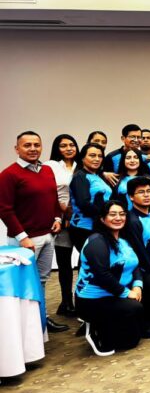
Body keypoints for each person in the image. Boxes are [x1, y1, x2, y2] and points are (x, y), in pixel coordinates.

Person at [0, 131, 67, 333]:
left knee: (42, 280)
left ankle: (41, 320)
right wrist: (23, 237)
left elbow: (54, 198)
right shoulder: (8, 175)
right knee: (23, 284)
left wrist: (56, 218)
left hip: (47, 236)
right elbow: (4, 209)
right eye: (27, 145)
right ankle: (24, 328)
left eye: (36, 145)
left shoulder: (46, 170)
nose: (32, 149)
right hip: (24, 241)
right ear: (17, 149)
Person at [74, 200, 147, 356]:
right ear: (102, 219)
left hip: (115, 294)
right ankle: (94, 328)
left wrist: (137, 285)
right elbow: (102, 276)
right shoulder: (96, 242)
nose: (118, 218)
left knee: (131, 341)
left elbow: (134, 266)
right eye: (112, 214)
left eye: (122, 214)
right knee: (134, 308)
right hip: (92, 300)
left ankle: (112, 324)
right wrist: (127, 293)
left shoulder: (123, 240)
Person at [122, 177, 150, 331]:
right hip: (138, 269)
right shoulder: (132, 220)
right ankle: (144, 323)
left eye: (149, 191)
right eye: (141, 192)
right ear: (131, 197)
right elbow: (139, 253)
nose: (147, 195)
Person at [44, 133, 79, 317]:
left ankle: (82, 299)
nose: (68, 148)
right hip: (62, 220)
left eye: (72, 144)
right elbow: (49, 192)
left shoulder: (81, 165)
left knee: (84, 261)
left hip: (81, 221)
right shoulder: (50, 166)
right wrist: (61, 213)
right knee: (64, 263)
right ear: (57, 148)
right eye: (63, 145)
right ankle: (67, 302)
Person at [69, 143, 113, 254]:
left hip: (98, 225)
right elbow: (84, 204)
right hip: (84, 227)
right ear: (83, 158)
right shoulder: (80, 176)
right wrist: (106, 217)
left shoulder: (97, 176)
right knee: (90, 260)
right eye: (92, 155)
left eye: (100, 156)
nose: (97, 159)